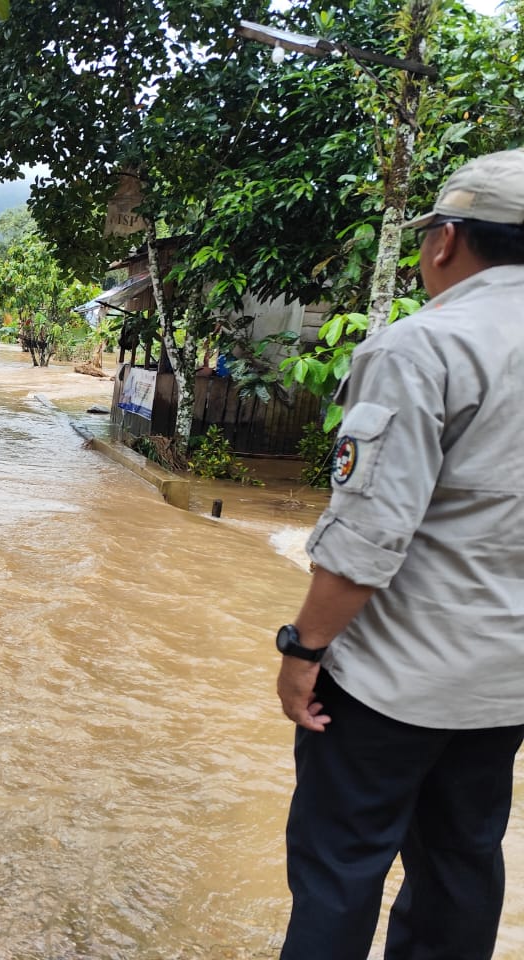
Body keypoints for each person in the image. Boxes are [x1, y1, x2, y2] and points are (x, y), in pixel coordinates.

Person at [274, 147, 524, 959]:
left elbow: (366, 540)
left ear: (447, 240)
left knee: (338, 872)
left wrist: (301, 649)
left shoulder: (423, 347)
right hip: (504, 688)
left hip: (391, 685)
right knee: (460, 868)